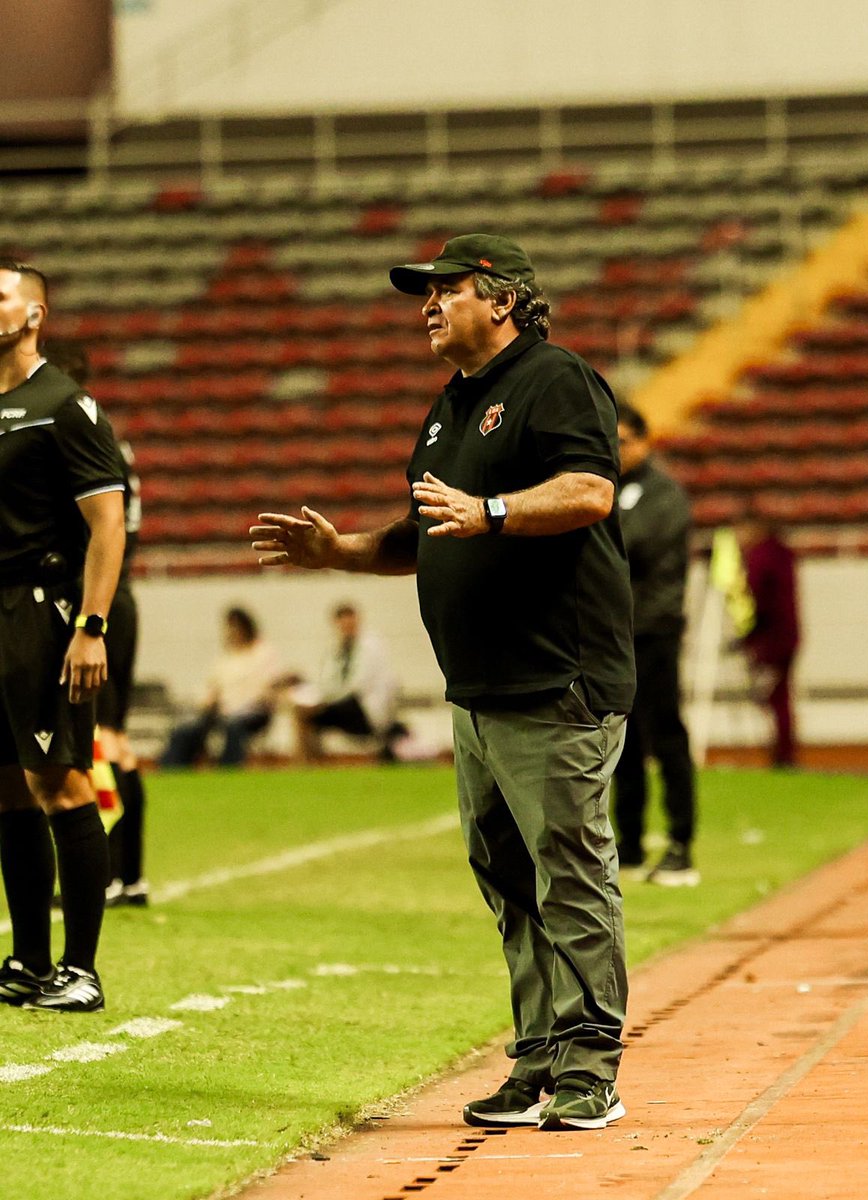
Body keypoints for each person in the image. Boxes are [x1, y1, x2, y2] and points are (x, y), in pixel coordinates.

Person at [252, 233, 635, 1133]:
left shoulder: (556, 379)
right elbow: (426, 531)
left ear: (501, 299)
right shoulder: (449, 408)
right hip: (479, 691)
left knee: (568, 874)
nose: (426, 305)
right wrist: (340, 550)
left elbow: (588, 491)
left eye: (445, 290)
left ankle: (592, 1069)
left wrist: (492, 510)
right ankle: (538, 1059)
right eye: (421, 294)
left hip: (556, 680)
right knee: (506, 877)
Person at [0, 260, 126, 1012]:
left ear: (34, 315)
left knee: (61, 782)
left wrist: (91, 625)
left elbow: (106, 524)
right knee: (6, 789)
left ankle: (80, 969)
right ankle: (26, 960)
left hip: (40, 611)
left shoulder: (65, 406)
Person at [43, 338, 149, 908]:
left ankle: (106, 874)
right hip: (120, 594)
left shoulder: (76, 435)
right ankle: (130, 874)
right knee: (116, 741)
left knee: (96, 741)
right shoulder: (111, 439)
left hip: (95, 600)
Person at [613, 407, 699, 885]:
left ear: (645, 442)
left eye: (624, 442)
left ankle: (681, 843)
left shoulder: (664, 493)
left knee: (666, 735)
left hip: (656, 631)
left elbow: (630, 546)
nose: (617, 451)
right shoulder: (610, 490)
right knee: (620, 742)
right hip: (618, 635)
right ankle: (628, 845)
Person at [159, 606, 283, 768]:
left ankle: (228, 769)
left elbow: (271, 686)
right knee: (187, 729)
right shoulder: (226, 657)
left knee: (234, 726)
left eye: (236, 627)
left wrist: (246, 703)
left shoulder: (264, 652)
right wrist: (207, 701)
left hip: (253, 712)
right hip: (222, 711)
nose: (233, 632)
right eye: (230, 628)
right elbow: (213, 686)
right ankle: (172, 768)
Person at [291, 602, 402, 763]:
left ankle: (306, 762)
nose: (346, 627)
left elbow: (357, 686)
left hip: (364, 709)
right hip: (344, 703)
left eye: (350, 622)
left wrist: (324, 702)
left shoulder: (371, 645)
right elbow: (327, 681)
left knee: (308, 712)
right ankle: (308, 762)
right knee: (301, 711)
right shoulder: (337, 648)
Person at [737, 516, 801, 767]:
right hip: (788, 635)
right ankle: (784, 752)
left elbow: (760, 601)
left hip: (773, 639)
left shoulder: (762, 556)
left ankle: (783, 754)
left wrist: (750, 635)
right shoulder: (783, 553)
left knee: (776, 699)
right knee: (781, 697)